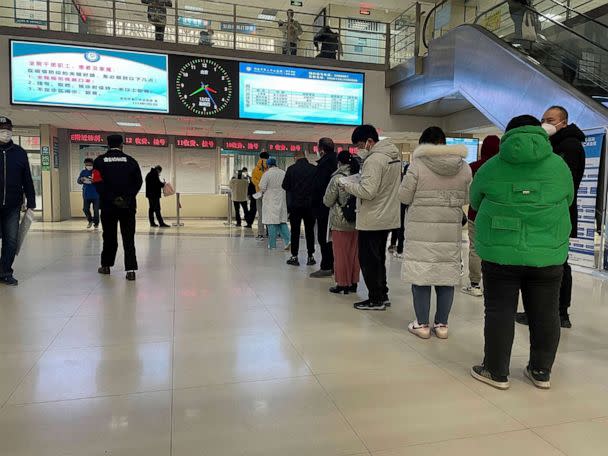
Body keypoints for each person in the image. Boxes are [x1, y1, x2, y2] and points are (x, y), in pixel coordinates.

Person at [469, 115, 574, 390]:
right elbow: (569, 197)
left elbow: (475, 200)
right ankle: (540, 371)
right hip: (547, 251)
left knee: (499, 311)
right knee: (546, 312)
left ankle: (496, 371)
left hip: (500, 251)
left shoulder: (491, 166)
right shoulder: (558, 165)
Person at [516, 106, 585, 329]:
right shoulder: (552, 144)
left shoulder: (570, 146)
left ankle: (561, 312)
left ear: (563, 123)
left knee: (559, 264)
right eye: (543, 119)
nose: (545, 123)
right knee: (541, 263)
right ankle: (537, 310)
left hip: (558, 213)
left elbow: (566, 184)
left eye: (551, 120)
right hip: (545, 213)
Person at [399, 127, 472, 339]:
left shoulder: (417, 165)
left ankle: (422, 325)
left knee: (421, 276)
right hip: (449, 231)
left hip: (421, 230)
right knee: (446, 277)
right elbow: (467, 198)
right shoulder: (463, 166)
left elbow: (404, 196)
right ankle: (442, 326)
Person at [342, 125, 401, 311]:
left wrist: (346, 185)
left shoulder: (374, 160)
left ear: (369, 141)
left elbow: (368, 191)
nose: (359, 149)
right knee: (379, 259)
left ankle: (375, 299)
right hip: (387, 216)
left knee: (368, 260)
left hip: (372, 218)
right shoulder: (393, 156)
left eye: (360, 144)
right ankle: (382, 295)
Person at [93, 134, 143, 281]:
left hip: (108, 206)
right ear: (122, 145)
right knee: (128, 237)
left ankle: (106, 266)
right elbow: (138, 182)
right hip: (127, 206)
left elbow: (97, 182)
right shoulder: (131, 161)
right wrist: (125, 198)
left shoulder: (99, 161)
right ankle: (131, 270)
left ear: (108, 145)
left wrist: (111, 198)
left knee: (109, 236)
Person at [462, 135, 500, 297]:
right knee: (495, 248)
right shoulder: (503, 168)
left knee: (475, 248)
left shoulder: (473, 167)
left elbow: (467, 193)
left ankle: (475, 284)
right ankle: (494, 283)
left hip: (475, 214)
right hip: (497, 215)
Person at [0, 117, 36, 286]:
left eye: (7, 128)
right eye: (1, 128)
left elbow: (27, 178)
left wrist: (31, 202)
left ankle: (6, 271)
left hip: (13, 205)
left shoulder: (19, 152)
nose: (5, 132)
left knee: (11, 240)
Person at [324, 150, 361, 294]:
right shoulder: (358, 177)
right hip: (356, 220)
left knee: (340, 254)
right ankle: (353, 283)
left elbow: (327, 201)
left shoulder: (337, 178)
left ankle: (342, 284)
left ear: (339, 162)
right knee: (353, 254)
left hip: (340, 222)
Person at [282, 150, 317, 266]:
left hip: (295, 205)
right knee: (309, 231)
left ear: (295, 158)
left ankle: (294, 256)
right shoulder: (313, 169)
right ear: (304, 157)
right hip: (310, 206)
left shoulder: (291, 169)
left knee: (295, 231)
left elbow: (285, 186)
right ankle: (310, 256)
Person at [310, 138, 338, 278]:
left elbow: (320, 187)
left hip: (324, 207)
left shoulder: (325, 164)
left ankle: (327, 266)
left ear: (321, 149)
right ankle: (333, 265)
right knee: (332, 238)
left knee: (324, 237)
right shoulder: (336, 161)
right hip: (334, 208)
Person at [259, 158, 290, 249]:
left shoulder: (267, 174)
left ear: (268, 165)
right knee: (282, 221)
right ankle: (288, 241)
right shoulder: (283, 173)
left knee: (271, 222)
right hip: (281, 198)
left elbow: (262, 187)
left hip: (270, 200)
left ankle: (272, 245)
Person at [388, 162, 409, 259]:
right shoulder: (409, 180)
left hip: (398, 204)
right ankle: (398, 247)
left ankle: (397, 247)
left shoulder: (399, 180)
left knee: (398, 225)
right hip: (404, 204)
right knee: (400, 226)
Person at [77, 157, 100, 230]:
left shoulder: (96, 171)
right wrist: (81, 179)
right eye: (87, 165)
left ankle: (96, 223)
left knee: (96, 210)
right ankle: (90, 220)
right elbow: (78, 181)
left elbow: (101, 181)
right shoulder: (83, 172)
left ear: (93, 164)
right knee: (85, 209)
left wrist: (95, 181)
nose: (88, 166)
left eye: (90, 165)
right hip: (86, 194)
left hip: (96, 194)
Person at [251, 151, 269, 240]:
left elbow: (253, 180)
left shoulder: (255, 168)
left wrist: (260, 184)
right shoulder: (270, 167)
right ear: (268, 157)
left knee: (261, 214)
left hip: (259, 193)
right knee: (270, 213)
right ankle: (270, 231)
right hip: (269, 194)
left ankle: (260, 233)